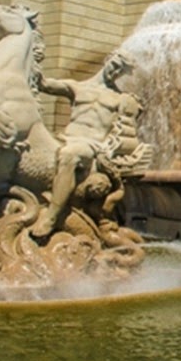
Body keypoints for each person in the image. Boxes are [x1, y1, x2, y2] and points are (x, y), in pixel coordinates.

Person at [34, 48, 145, 238]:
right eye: (116, 66)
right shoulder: (77, 87)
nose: (116, 72)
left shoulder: (120, 98)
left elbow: (130, 128)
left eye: (121, 71)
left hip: (91, 144)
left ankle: (51, 217)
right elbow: (43, 84)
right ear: (108, 59)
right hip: (66, 137)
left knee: (70, 154)